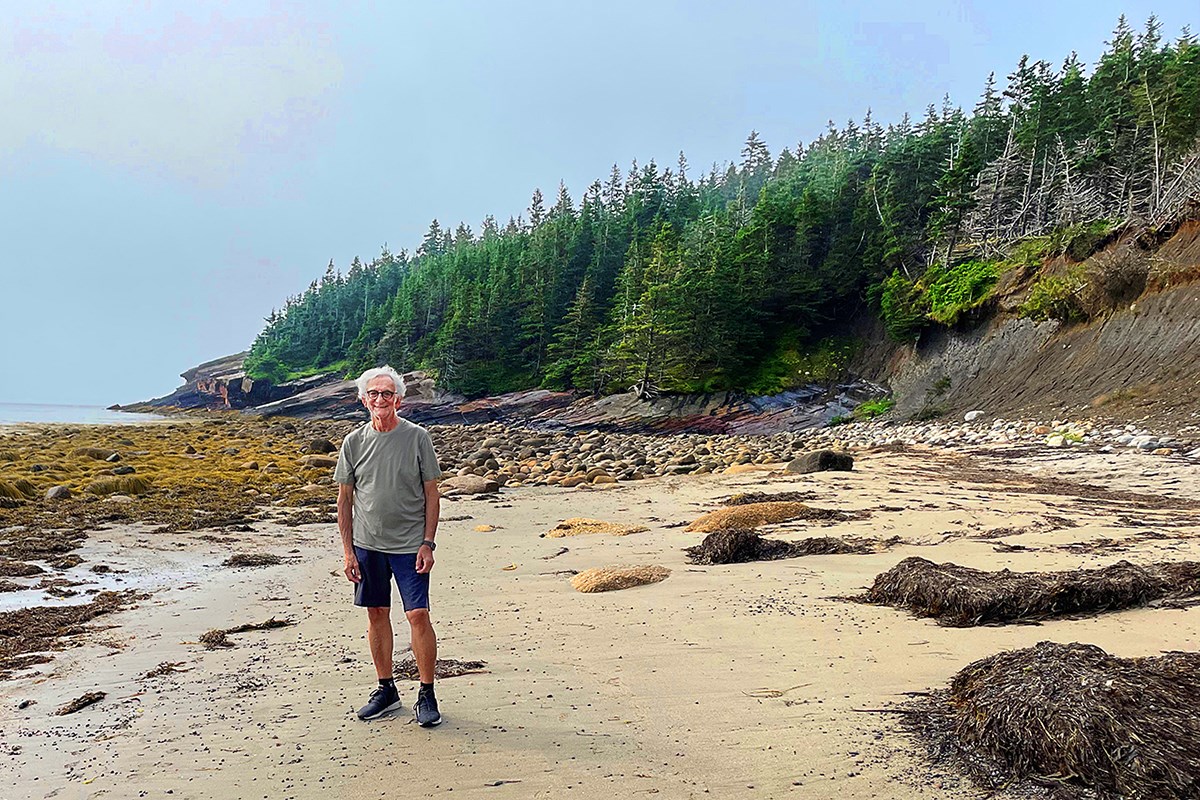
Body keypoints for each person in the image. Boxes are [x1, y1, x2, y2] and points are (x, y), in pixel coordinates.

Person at [334, 366, 444, 726]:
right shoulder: (353, 442)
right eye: (373, 394)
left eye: (386, 393)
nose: (380, 399)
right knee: (376, 614)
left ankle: (426, 694)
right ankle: (386, 690)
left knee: (418, 615)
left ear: (399, 399)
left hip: (410, 545)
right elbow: (345, 500)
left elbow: (432, 493)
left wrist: (428, 542)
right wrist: (349, 551)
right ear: (363, 400)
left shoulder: (417, 438)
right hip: (367, 546)